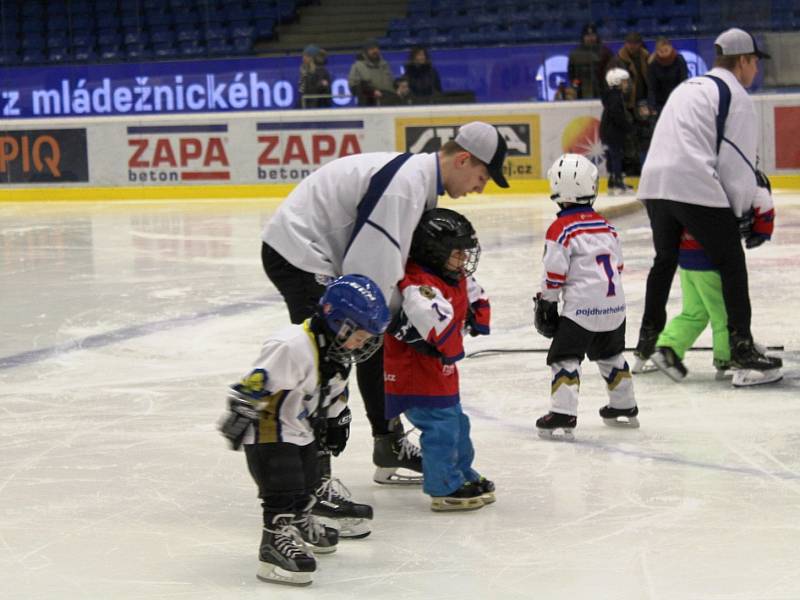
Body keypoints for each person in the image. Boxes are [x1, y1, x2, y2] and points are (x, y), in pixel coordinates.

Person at [260, 121, 509, 487]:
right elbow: (368, 281)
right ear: (463, 160)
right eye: (482, 176)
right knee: (331, 353)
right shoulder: (405, 190)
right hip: (300, 252)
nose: (480, 187)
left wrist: (403, 320)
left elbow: (383, 277)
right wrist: (410, 325)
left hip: (315, 250)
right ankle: (314, 481)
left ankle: (388, 443)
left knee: (369, 341)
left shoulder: (419, 183)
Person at [217, 274, 391, 586]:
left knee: (310, 477)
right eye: (360, 336)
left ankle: (299, 522)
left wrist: (338, 418)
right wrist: (240, 409)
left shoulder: (338, 355)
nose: (362, 344)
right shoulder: (293, 346)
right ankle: (274, 543)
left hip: (300, 426)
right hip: (269, 428)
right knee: (285, 482)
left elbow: (335, 392)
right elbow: (257, 380)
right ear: (339, 322)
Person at [634, 27, 783, 375]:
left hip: (655, 181)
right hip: (692, 182)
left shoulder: (688, 87)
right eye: (754, 63)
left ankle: (647, 341)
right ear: (743, 61)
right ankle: (740, 347)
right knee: (731, 261)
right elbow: (737, 165)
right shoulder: (737, 97)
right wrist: (743, 213)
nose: (756, 71)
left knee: (664, 261)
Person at [383, 208, 494, 511]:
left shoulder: (452, 274)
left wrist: (477, 316)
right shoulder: (418, 285)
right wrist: (454, 334)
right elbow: (435, 321)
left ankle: (460, 473)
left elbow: (476, 293)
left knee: (458, 423)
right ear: (434, 252)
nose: (464, 260)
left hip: (439, 373)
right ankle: (443, 486)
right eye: (457, 253)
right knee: (442, 429)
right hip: (415, 374)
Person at [533, 154, 639, 440]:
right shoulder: (606, 226)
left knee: (565, 358)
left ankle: (563, 413)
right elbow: (617, 266)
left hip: (581, 310)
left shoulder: (561, 229)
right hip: (615, 307)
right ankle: (624, 405)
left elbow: (554, 272)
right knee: (611, 355)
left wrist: (547, 302)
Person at [649, 177, 781, 387]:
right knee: (725, 314)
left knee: (694, 312)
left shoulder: (699, 177)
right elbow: (762, 202)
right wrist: (762, 232)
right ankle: (728, 355)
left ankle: (668, 348)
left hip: (686, 257)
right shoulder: (744, 175)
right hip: (710, 259)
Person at [600, 67, 634, 195]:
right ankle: (618, 183)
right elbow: (617, 115)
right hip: (612, 132)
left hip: (608, 132)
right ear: (616, 82)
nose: (627, 84)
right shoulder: (615, 97)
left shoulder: (612, 96)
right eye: (624, 81)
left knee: (612, 156)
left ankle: (612, 183)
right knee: (616, 157)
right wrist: (627, 127)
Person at [567, 23, 613, 99]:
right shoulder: (575, 54)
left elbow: (611, 71)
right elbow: (572, 75)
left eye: (593, 35)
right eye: (587, 36)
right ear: (583, 37)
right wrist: (576, 86)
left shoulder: (605, 52)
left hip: (602, 90)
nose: (590, 38)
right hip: (582, 91)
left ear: (596, 36)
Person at [646, 37, 688, 116]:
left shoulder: (679, 60)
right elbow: (652, 88)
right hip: (660, 103)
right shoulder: (653, 64)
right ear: (657, 51)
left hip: (677, 100)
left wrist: (683, 101)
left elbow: (684, 81)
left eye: (666, 50)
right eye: (661, 51)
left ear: (671, 48)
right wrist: (651, 106)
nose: (664, 53)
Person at [347, 39, 395, 106]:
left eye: (376, 48)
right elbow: (354, 87)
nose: (375, 51)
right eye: (372, 49)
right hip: (369, 103)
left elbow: (391, 84)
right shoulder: (358, 66)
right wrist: (371, 92)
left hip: (388, 102)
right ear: (365, 51)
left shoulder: (385, 64)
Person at [298, 44, 332, 108]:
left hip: (316, 107)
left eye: (306, 56)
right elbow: (302, 91)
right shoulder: (304, 70)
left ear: (312, 58)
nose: (303, 59)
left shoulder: (321, 71)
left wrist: (321, 85)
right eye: (303, 56)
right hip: (306, 104)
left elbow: (324, 92)